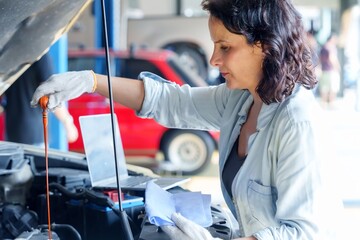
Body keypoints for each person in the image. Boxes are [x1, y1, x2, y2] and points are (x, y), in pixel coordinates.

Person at [31, 0, 343, 239]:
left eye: (225, 47)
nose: (213, 59)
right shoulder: (242, 99)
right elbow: (172, 101)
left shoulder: (297, 123)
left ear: (263, 46)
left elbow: (304, 232)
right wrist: (91, 81)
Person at [2, 53, 78, 146]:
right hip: (34, 133)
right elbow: (49, 92)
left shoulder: (9, 55)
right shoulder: (40, 55)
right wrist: (67, 121)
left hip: (12, 131)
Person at [318, 34, 341, 109]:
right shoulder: (331, 47)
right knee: (332, 88)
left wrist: (319, 67)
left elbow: (320, 59)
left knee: (324, 88)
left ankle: (323, 104)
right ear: (332, 39)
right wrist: (337, 67)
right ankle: (331, 104)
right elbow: (332, 58)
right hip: (331, 71)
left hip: (324, 70)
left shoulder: (323, 47)